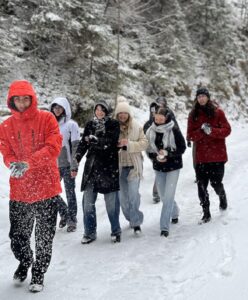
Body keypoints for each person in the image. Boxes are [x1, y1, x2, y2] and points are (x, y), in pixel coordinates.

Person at [0, 80, 62, 292]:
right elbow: (5, 151)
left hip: (46, 187)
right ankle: (25, 260)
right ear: (11, 101)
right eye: (17, 99)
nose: (22, 102)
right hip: (20, 190)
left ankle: (39, 272)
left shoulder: (47, 119)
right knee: (17, 237)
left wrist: (29, 162)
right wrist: (11, 163)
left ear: (32, 98)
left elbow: (53, 146)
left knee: (44, 236)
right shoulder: (5, 126)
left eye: (26, 98)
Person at [75, 100, 121, 244]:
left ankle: (115, 230)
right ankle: (89, 232)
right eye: (97, 109)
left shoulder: (113, 124)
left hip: (108, 168)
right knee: (88, 203)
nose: (99, 112)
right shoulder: (90, 125)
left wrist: (97, 141)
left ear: (107, 111)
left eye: (102, 109)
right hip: (92, 168)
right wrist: (77, 157)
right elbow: (83, 143)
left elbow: (111, 141)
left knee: (111, 204)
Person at [187, 87, 231, 223]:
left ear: (208, 97)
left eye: (203, 96)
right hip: (201, 158)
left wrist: (211, 131)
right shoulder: (193, 114)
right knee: (201, 186)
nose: (201, 98)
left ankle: (222, 195)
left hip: (217, 156)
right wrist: (201, 131)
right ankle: (206, 212)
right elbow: (189, 135)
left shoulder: (218, 112)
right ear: (196, 98)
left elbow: (227, 130)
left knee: (216, 183)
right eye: (199, 96)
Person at [146, 107, 186, 237]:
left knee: (168, 196)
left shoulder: (173, 129)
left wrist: (168, 153)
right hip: (159, 167)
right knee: (163, 196)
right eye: (156, 118)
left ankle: (164, 227)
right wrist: (155, 157)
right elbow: (148, 149)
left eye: (161, 119)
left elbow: (182, 148)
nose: (158, 121)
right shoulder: (151, 130)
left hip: (173, 167)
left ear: (167, 118)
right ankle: (174, 212)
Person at [114, 99, 148, 234]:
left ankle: (136, 222)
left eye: (125, 113)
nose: (122, 115)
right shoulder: (113, 127)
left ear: (129, 114)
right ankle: (130, 217)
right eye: (120, 113)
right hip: (120, 167)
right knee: (123, 197)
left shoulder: (137, 126)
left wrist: (129, 144)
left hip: (134, 166)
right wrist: (115, 145)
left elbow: (145, 143)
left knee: (133, 195)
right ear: (117, 115)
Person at [50, 97, 80, 232]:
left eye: (59, 107)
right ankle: (64, 213)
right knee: (51, 193)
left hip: (67, 165)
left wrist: (74, 166)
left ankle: (72, 219)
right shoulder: (49, 124)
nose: (57, 110)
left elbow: (75, 147)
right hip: (53, 166)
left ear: (65, 109)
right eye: (55, 107)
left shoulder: (71, 125)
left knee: (70, 193)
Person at [144, 96, 178, 204]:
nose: (161, 105)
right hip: (154, 145)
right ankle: (158, 191)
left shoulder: (169, 113)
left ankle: (158, 191)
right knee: (159, 167)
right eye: (159, 103)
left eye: (163, 103)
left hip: (166, 144)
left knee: (162, 167)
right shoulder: (153, 113)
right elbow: (148, 126)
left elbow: (175, 126)